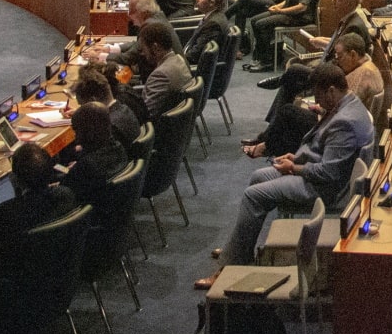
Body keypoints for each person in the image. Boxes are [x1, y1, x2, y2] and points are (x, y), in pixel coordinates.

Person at [205, 63, 374, 279]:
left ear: (331, 91)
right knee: (258, 177)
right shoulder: (349, 104)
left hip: (325, 189)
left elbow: (328, 173)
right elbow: (325, 155)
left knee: (253, 195)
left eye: (319, 96)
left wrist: (294, 167)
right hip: (316, 173)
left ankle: (230, 265)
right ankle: (240, 250)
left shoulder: (345, 122)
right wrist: (296, 158)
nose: (317, 102)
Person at [60, 102, 129, 207]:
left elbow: (64, 192)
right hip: (112, 204)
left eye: (77, 130)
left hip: (89, 211)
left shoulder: (87, 165)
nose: (76, 136)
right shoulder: (118, 147)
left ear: (89, 133)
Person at [71, 68, 141, 148]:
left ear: (93, 101)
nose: (81, 108)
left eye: (82, 105)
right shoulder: (125, 108)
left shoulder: (106, 128)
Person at [136, 20, 192, 118]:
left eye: (144, 49)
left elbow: (145, 114)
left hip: (157, 125)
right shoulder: (178, 60)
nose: (143, 54)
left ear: (155, 47)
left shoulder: (161, 75)